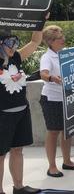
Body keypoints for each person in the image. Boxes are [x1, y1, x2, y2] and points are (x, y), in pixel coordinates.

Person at [0, 28, 43, 194]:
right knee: (1, 154)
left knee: (18, 149)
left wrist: (40, 21)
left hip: (21, 110)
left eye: (16, 43)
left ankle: (18, 187)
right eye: (10, 43)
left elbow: (35, 42)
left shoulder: (16, 57)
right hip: (3, 114)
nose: (14, 47)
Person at [39, 25, 74, 177]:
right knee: (53, 132)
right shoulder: (47, 57)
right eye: (59, 38)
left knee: (67, 131)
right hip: (52, 99)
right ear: (50, 41)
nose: (63, 39)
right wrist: (51, 78)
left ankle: (67, 161)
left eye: (62, 35)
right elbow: (43, 74)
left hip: (68, 97)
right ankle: (51, 166)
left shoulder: (66, 54)